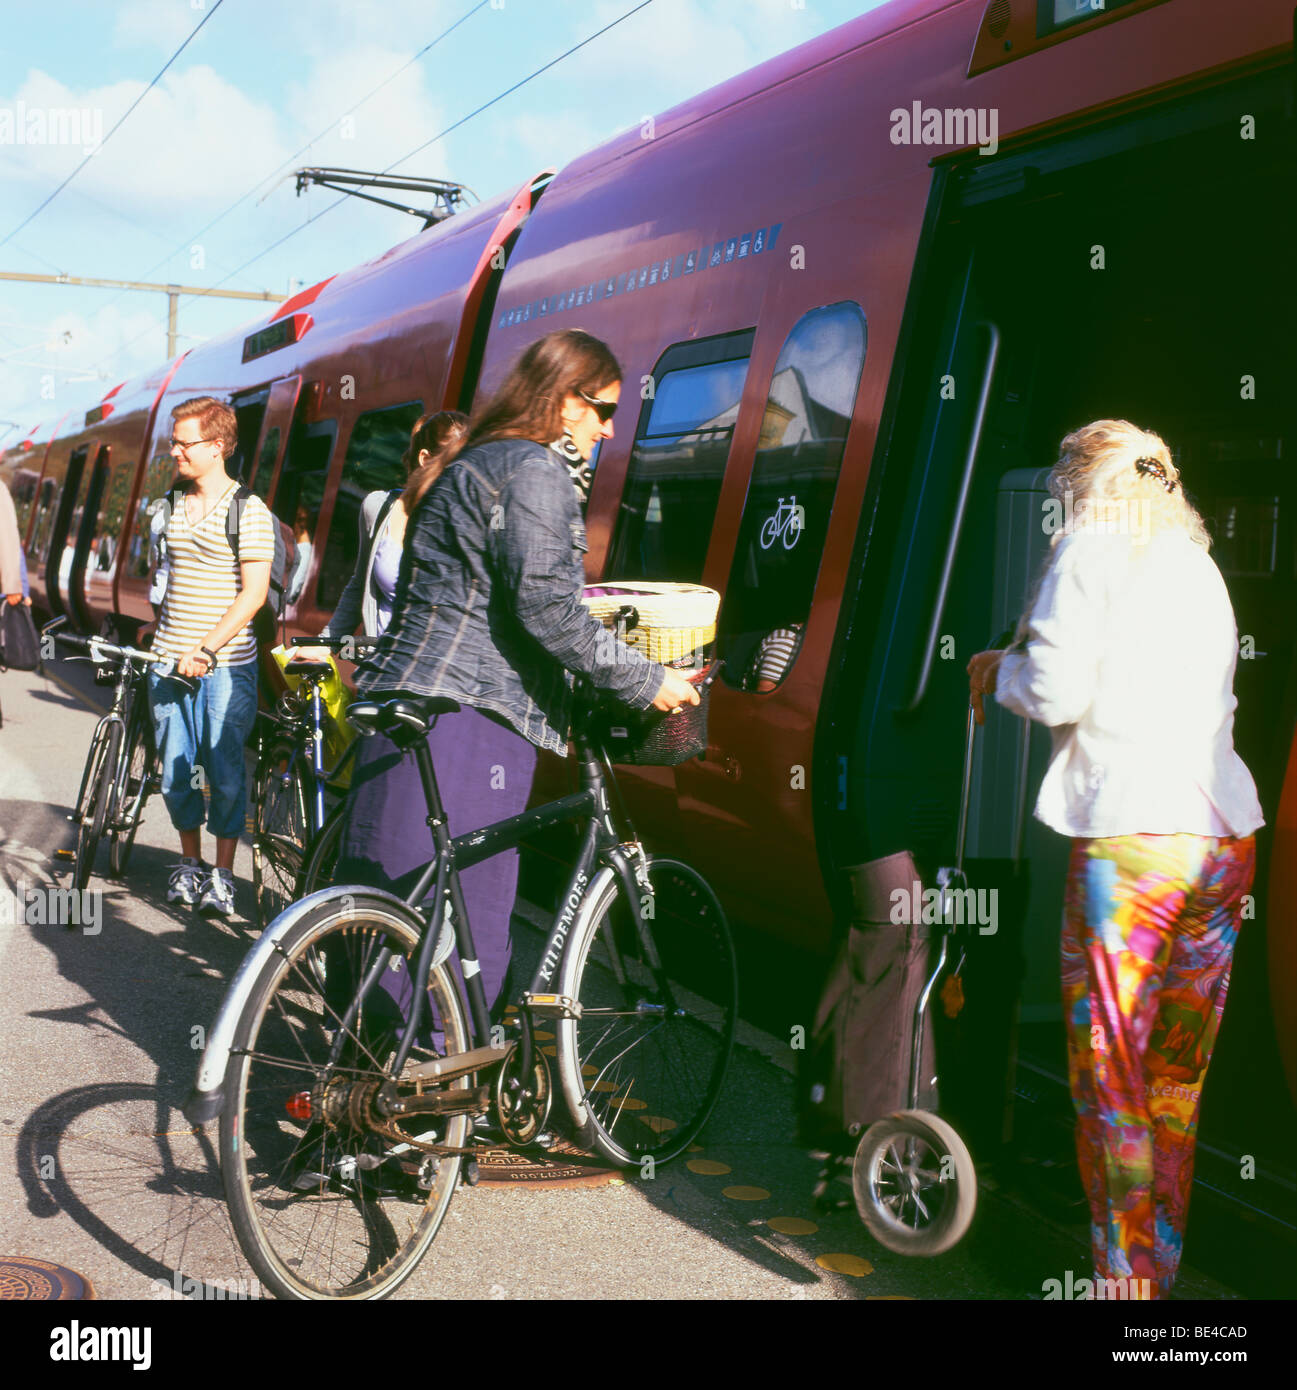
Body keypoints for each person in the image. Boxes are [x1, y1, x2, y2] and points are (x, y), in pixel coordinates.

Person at [966, 419, 1262, 1300]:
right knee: (1171, 1085)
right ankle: (1152, 1286)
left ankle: (1119, 1294)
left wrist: (997, 670)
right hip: (1219, 845)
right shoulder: (1195, 564)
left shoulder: (1093, 548)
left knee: (1112, 1081)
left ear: (1081, 487)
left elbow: (1055, 686)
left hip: (1136, 850)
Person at [336, 329, 700, 1031]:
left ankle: (361, 1087)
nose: (609, 427)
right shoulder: (534, 471)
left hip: (401, 698)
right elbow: (547, 609)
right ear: (565, 402)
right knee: (466, 924)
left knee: (386, 907)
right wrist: (645, 679)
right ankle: (435, 1087)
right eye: (601, 409)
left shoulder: (467, 462)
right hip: (473, 715)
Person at [148, 396, 276, 918]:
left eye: (185, 442)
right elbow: (169, 576)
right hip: (166, 662)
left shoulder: (251, 511)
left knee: (223, 773)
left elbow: (254, 593)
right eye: (174, 441)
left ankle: (223, 874)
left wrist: (206, 648)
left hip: (224, 666)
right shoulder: (170, 504)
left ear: (218, 446)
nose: (175, 450)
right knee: (175, 773)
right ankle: (190, 865)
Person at [292, 410, 468, 657]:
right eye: (455, 466)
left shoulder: (468, 522)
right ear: (425, 459)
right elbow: (359, 586)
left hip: (437, 681)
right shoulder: (379, 508)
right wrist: (324, 645)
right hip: (381, 674)